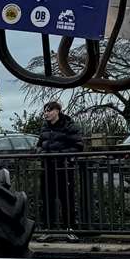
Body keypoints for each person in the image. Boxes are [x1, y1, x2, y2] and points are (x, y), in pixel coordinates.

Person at [37, 100, 83, 237]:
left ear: (57, 111)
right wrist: (41, 153)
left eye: (49, 111)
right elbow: (39, 144)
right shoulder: (44, 128)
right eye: (45, 111)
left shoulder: (69, 126)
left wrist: (62, 154)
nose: (46, 114)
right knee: (47, 199)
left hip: (63, 167)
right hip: (47, 167)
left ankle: (69, 228)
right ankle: (48, 229)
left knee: (66, 199)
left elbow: (79, 146)